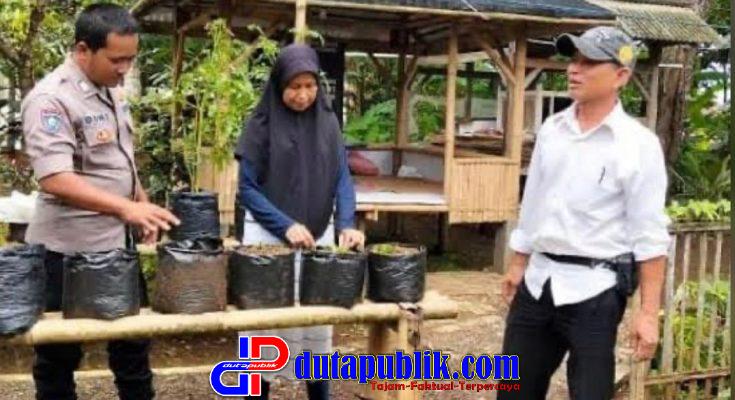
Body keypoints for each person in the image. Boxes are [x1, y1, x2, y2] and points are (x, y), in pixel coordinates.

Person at [498, 27, 671, 400]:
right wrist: (518, 262)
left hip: (596, 290)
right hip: (539, 282)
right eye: (574, 60)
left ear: (620, 76)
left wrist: (647, 313)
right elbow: (534, 200)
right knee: (513, 390)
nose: (574, 69)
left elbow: (650, 235)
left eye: (589, 62)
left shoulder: (638, 145)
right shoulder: (552, 130)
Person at [21, 4, 180, 400]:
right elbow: (54, 178)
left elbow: (119, 158)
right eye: (116, 59)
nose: (125, 68)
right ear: (83, 50)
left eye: (131, 59)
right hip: (66, 253)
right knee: (58, 357)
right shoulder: (50, 99)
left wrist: (140, 203)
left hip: (116, 247)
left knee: (133, 347)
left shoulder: (112, 90)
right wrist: (126, 208)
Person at [234, 44, 364, 399]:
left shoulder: (328, 122)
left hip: (317, 235)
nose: (303, 95)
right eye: (295, 86)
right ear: (279, 85)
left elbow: (342, 177)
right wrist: (284, 225)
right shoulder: (260, 125)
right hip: (267, 242)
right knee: (262, 331)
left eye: (310, 86)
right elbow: (247, 188)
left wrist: (346, 223)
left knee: (316, 328)